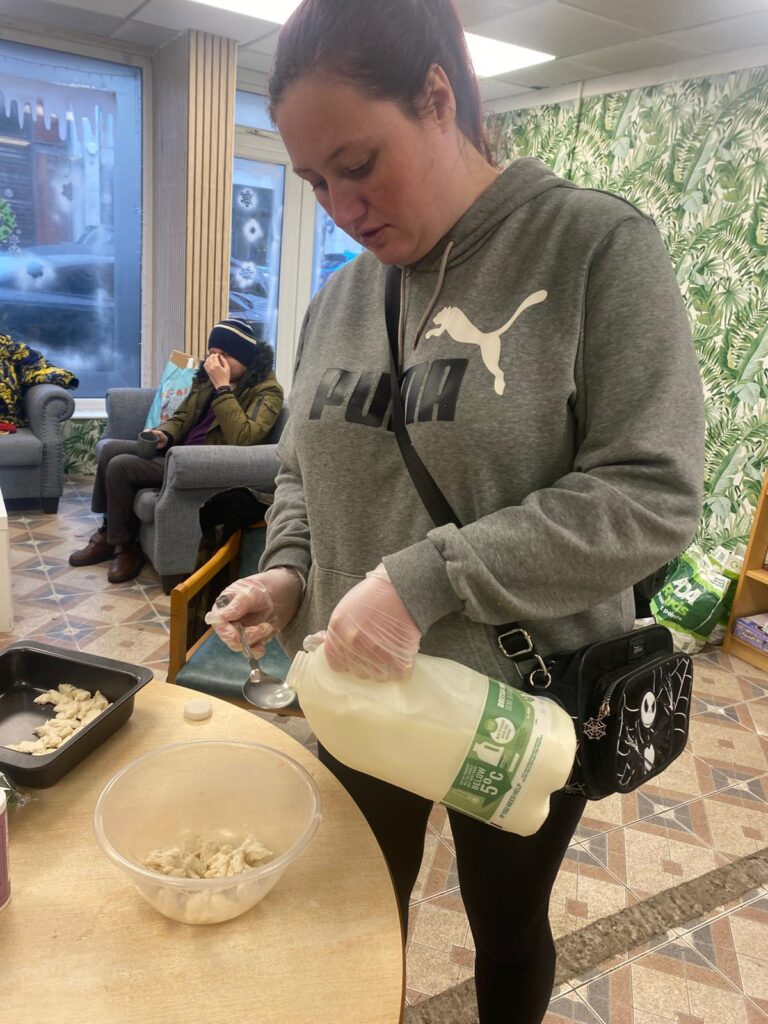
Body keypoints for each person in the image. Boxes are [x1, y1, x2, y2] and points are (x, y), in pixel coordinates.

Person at [209, 2, 705, 1021]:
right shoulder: (339, 300)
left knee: (507, 929)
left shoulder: (593, 248)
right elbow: (306, 467)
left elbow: (653, 492)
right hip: (357, 691)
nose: (340, 205)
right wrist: (290, 568)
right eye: (313, 181)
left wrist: (421, 578)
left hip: (520, 703)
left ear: (438, 99)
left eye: (359, 163)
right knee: (355, 916)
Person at [69, 320, 283, 583]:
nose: (215, 362)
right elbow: (182, 416)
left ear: (246, 358)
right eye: (212, 353)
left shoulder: (267, 391)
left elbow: (244, 437)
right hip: (177, 450)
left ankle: (126, 547)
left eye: (224, 355)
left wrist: (223, 388)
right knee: (111, 449)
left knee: (122, 466)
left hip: (200, 462)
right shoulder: (205, 380)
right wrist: (165, 434)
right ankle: (106, 533)